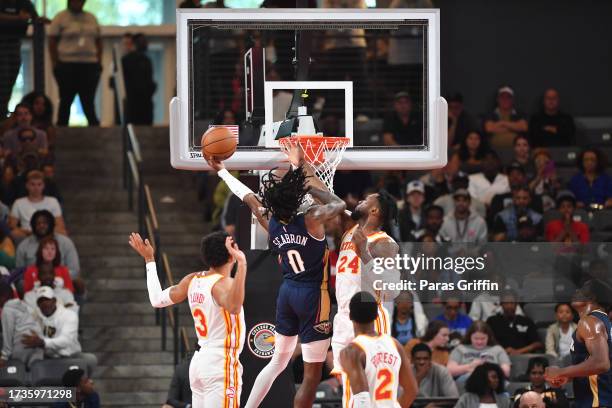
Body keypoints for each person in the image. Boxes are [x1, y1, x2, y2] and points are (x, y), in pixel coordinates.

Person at [208, 153, 346, 408]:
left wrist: (223, 171)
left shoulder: (271, 223)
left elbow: (247, 197)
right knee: (311, 376)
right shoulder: (311, 221)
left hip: (287, 294)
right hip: (313, 296)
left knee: (276, 363)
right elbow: (338, 204)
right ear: (296, 200)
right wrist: (303, 171)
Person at [129, 231, 246, 407]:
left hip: (199, 363)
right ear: (232, 255)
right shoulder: (223, 283)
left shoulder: (193, 280)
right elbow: (234, 306)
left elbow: (156, 299)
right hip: (220, 362)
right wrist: (243, 264)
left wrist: (149, 260)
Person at [332, 189, 402, 407]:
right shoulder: (350, 229)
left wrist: (364, 253)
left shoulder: (385, 243)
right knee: (349, 383)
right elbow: (329, 198)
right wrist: (302, 168)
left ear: (374, 209)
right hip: (344, 316)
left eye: (367, 198)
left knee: (371, 382)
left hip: (369, 317)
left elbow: (392, 289)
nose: (360, 199)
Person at [339, 291, 417, 408]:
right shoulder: (395, 344)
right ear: (377, 316)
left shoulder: (352, 351)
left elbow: (362, 401)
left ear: (350, 315)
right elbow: (412, 391)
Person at [544, 280, 612, 408]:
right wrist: (569, 376)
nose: (576, 291)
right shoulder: (604, 322)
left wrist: (561, 372)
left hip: (597, 402)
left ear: (592, 297)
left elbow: (601, 363)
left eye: (581, 290)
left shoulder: (590, 321)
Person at [48, 0, 102, 126]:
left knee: (88, 100)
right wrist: (55, 63)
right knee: (66, 100)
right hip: (67, 65)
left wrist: (99, 61)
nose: (79, 3)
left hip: (89, 65)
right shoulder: (60, 17)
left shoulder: (91, 18)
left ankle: (94, 130)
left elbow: (99, 41)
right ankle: (62, 130)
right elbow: (52, 41)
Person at [24, 286, 97, 372]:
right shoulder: (34, 318)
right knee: (31, 362)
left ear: (54, 300)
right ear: (38, 305)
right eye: (41, 301)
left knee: (90, 359)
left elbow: (65, 341)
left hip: (70, 355)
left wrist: (43, 342)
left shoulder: (69, 315)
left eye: (47, 299)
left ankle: (82, 384)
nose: (44, 303)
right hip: (47, 357)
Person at [0, 0, 39, 118]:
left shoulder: (23, 2)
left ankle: (2, 111)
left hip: (15, 43)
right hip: (1, 43)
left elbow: (33, 16)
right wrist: (17, 18)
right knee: (3, 78)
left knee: (10, 78)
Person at [16, 210, 79, 279]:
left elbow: (74, 271)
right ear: (33, 226)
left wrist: (53, 279)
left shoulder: (66, 243)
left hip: (61, 284)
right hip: (33, 285)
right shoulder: (23, 246)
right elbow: (19, 274)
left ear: (51, 224)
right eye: (38, 223)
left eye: (45, 223)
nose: (41, 226)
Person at [9, 170, 66, 240]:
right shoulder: (18, 203)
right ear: (27, 185)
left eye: (39, 184)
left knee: (63, 232)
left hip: (48, 234)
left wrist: (45, 233)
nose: (36, 188)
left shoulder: (53, 201)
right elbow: (12, 226)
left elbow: (60, 224)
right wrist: (29, 232)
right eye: (33, 184)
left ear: (43, 186)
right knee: (13, 233)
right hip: (27, 235)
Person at [447, 321, 511, 380]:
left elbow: (506, 372)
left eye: (483, 338)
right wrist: (469, 367)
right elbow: (450, 370)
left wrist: (488, 369)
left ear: (488, 337)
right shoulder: (460, 348)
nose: (479, 342)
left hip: (491, 380)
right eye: (476, 338)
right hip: (467, 380)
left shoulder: (497, 349)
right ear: (470, 337)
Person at [0, 280, 43, 368]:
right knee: (35, 376)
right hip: (37, 345)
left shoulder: (7, 308)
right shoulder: (26, 305)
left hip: (22, 344)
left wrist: (4, 356)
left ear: (2, 297)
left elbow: (8, 332)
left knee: (19, 377)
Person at [486, 290, 543, 355]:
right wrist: (502, 350)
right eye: (506, 303)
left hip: (523, 357)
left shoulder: (527, 321)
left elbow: (537, 343)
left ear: (516, 304)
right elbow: (487, 339)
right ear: (501, 304)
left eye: (512, 303)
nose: (509, 306)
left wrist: (519, 351)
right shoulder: (492, 321)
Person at [122, 33, 156, 125]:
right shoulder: (125, 60)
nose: (145, 44)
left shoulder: (145, 60)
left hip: (143, 106)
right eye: (142, 42)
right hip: (134, 106)